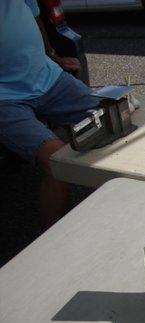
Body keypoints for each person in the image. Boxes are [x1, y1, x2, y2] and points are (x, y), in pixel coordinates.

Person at [0, 0, 98, 228]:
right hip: (5, 98)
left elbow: (35, 18)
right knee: (56, 158)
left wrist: (53, 56)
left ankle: (122, 205)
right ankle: (55, 244)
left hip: (47, 77)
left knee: (114, 114)